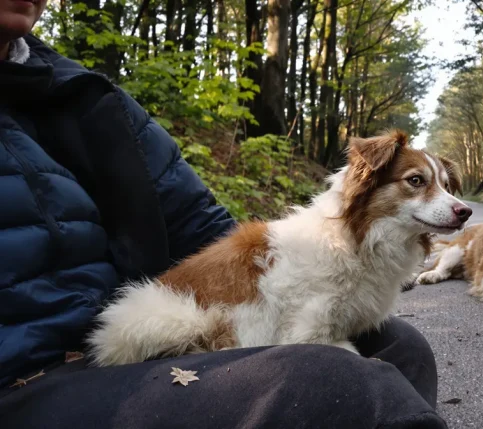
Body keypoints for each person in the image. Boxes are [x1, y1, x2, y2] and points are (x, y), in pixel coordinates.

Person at [0, 2, 447, 428]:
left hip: (125, 336)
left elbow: (200, 225)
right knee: (350, 384)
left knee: (402, 350)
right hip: (24, 376)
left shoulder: (84, 96)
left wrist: (305, 261)